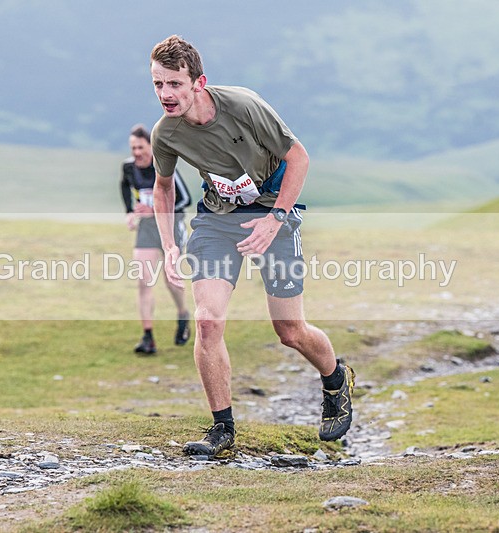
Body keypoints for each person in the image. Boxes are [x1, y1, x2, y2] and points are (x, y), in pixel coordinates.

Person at [148, 35, 356, 457]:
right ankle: (221, 429)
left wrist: (275, 219)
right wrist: (169, 245)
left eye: (174, 84)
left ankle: (335, 379)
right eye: (158, 84)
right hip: (216, 219)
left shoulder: (243, 106)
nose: (165, 94)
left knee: (289, 330)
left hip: (273, 211)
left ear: (198, 83)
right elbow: (163, 187)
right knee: (208, 321)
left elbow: (299, 158)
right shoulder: (165, 133)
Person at [120, 123, 192, 354]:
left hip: (170, 227)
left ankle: (182, 313)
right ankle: (148, 337)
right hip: (147, 229)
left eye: (140, 147)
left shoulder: (164, 166)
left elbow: (185, 199)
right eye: (133, 148)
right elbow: (124, 186)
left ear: (151, 147)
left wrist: (155, 211)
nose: (136, 152)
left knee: (171, 280)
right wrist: (130, 212)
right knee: (143, 280)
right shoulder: (129, 168)